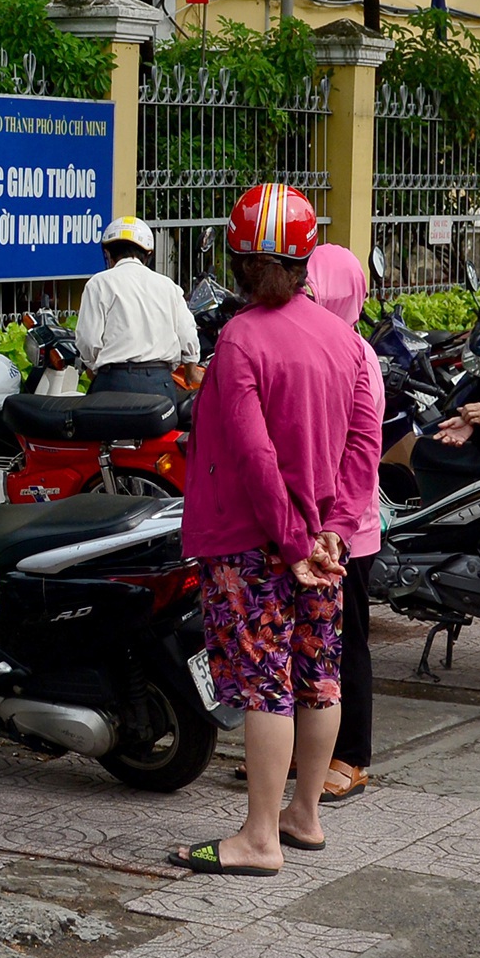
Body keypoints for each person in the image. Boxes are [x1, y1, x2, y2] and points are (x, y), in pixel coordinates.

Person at [165, 188, 376, 874]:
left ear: (241, 262)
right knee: (318, 677)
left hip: (255, 542)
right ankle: (304, 815)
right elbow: (363, 449)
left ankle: (259, 838)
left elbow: (255, 457)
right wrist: (332, 534)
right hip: (323, 546)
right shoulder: (347, 342)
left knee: (265, 684)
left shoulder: (240, 339)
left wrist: (291, 543)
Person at [299, 242, 385, 804]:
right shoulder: (309, 346)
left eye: (314, 287)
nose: (305, 295)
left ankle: (351, 757)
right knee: (305, 643)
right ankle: (301, 752)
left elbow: (358, 449)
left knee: (346, 644)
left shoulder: (358, 356)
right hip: (310, 525)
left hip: (348, 528)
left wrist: (335, 521)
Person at [72, 213, 202, 384]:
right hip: (160, 383)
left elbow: (88, 340)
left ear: (108, 254)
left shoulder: (99, 283)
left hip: (114, 381)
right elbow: (188, 334)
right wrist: (191, 371)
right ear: (147, 255)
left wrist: (94, 368)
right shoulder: (168, 286)